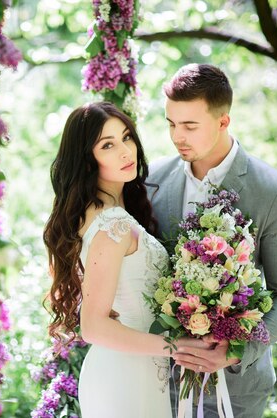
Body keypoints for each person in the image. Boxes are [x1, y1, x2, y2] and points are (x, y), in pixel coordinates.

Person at [148, 63, 277, 417]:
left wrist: (235, 351)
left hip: (237, 391)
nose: (177, 137)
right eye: (171, 124)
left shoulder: (273, 192)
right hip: (158, 383)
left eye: (190, 125)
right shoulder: (151, 180)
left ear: (223, 122)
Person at [43, 102, 209, 417]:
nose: (125, 151)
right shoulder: (112, 225)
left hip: (138, 369)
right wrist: (177, 348)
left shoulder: (106, 214)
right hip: (124, 375)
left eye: (126, 137)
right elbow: (92, 326)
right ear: (87, 158)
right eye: (108, 145)